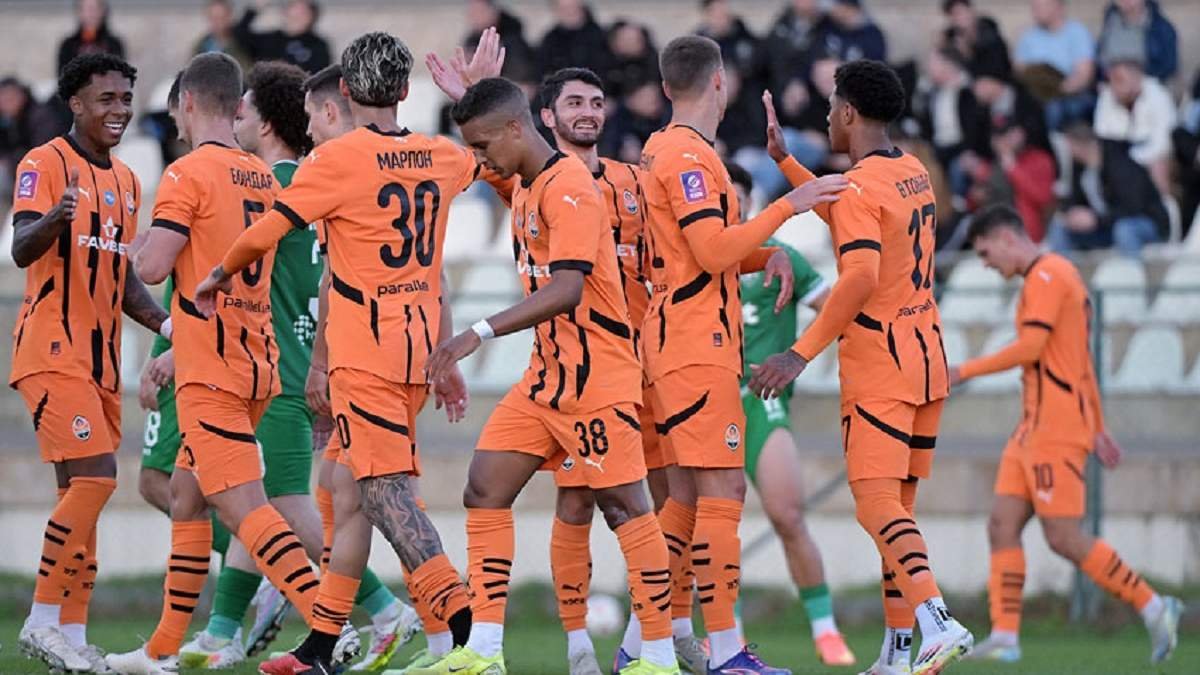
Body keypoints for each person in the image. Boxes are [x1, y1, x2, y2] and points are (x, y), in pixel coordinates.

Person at [197, 33, 478, 675]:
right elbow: (485, 158)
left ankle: (470, 638)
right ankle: (321, 648)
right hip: (415, 353)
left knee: (389, 499)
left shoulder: (335, 160)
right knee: (345, 497)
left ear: (346, 92)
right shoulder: (441, 155)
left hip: (367, 359)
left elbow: (268, 230)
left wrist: (218, 273)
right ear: (404, 90)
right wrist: (469, 99)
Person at [410, 74, 675, 675]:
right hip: (547, 378)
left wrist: (475, 333)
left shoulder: (571, 186)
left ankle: (659, 656)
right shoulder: (528, 184)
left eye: (483, 146)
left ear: (515, 129)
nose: (480, 159)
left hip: (598, 376)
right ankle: (483, 649)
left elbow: (567, 288)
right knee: (484, 487)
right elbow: (488, 153)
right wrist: (471, 88)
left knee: (626, 509)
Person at [105, 52, 333, 675]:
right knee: (186, 496)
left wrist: (118, 244)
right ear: (236, 107)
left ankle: (328, 629)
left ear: (186, 103)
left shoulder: (188, 173)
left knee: (245, 509)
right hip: (258, 360)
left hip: (211, 368)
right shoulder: (260, 176)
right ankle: (160, 650)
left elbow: (154, 267)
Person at [754, 59, 974, 674]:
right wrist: (785, 162)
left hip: (882, 365)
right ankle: (898, 653)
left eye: (831, 106)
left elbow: (858, 277)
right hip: (927, 359)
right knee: (896, 513)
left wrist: (798, 354)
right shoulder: (912, 171)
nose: (827, 116)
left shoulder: (859, 187)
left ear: (848, 112)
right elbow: (850, 214)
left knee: (875, 505)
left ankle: (938, 621)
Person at [640, 35, 846, 674]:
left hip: (685, 339)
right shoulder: (687, 155)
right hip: (695, 344)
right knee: (721, 490)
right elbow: (711, 253)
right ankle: (725, 650)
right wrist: (788, 207)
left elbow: (701, 250)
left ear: (667, 85)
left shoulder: (666, 148)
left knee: (683, 500)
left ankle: (648, 642)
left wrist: (765, 255)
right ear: (719, 82)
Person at [950, 204, 1183, 665]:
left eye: (985, 252)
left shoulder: (1049, 276)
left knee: (1062, 536)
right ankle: (1005, 636)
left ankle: (1154, 605)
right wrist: (1097, 425)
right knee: (1001, 524)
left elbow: (1033, 347)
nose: (986, 264)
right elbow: (1080, 361)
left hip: (1055, 430)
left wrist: (963, 370)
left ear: (1007, 238)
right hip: (1032, 428)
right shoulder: (1048, 276)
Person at [11, 52, 167, 675]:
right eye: (107, 99)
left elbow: (121, 279)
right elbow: (22, 247)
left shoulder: (127, 182)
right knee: (98, 480)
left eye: (125, 99)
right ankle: (41, 619)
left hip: (101, 365)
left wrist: (169, 324)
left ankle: (71, 635)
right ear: (75, 103)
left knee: (82, 494)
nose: (119, 110)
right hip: (51, 351)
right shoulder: (43, 162)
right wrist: (57, 216)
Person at [726, 161, 856, 668]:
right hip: (707, 401)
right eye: (722, 195)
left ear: (749, 202)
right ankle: (726, 637)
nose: (730, 204)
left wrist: (796, 356)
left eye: (737, 195)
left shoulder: (782, 256)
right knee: (713, 526)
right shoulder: (693, 255)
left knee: (787, 514)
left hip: (762, 401)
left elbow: (837, 309)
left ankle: (825, 631)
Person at [1045, 122, 1168, 256]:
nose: (1069, 153)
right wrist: (1072, 214)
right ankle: (1064, 269)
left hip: (1144, 223)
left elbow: (1132, 207)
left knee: (1124, 229)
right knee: (1060, 227)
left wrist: (1096, 220)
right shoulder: (1080, 169)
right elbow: (1074, 200)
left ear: (1079, 145)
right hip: (1105, 228)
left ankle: (1132, 269)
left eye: (1070, 147)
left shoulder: (1120, 164)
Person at [1093, 56, 1175, 196]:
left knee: (1158, 166)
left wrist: (1135, 159)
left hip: (1152, 158)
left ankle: (1164, 207)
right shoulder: (1107, 95)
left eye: (1119, 80)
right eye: (1111, 80)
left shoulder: (1158, 95)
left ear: (1136, 78)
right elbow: (1102, 134)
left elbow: (1164, 142)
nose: (1113, 86)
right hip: (1120, 160)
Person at [1013, 0, 1096, 131]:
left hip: (1071, 95)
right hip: (1036, 95)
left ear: (1058, 6)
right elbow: (1020, 69)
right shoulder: (1028, 37)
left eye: (1041, 5)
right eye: (1034, 6)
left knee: (1055, 107)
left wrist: (1056, 90)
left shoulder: (1077, 33)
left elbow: (1083, 76)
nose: (1035, 10)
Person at [235, 0, 332, 73]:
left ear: (312, 16)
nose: (296, 14)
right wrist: (255, 8)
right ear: (285, 12)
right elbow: (240, 34)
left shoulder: (318, 45)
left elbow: (320, 74)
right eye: (293, 8)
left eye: (302, 11)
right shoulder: (271, 39)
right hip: (265, 90)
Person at [1096, 0, 1177, 83]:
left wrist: (1134, 76)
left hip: (1149, 82)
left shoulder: (1162, 28)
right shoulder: (1110, 24)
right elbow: (1100, 60)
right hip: (1113, 83)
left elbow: (1169, 66)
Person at [537, 0, 611, 81]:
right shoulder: (550, 40)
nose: (569, 12)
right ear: (555, 11)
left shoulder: (601, 37)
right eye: (563, 8)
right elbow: (542, 71)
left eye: (572, 7)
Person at [940, 0, 1011, 81]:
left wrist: (968, 54)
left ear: (971, 11)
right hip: (964, 82)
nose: (958, 18)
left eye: (960, 13)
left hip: (996, 81)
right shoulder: (952, 36)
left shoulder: (990, 34)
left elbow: (996, 71)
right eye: (953, 15)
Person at [57, 0, 126, 76]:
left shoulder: (114, 44)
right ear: (79, 12)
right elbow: (63, 76)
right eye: (87, 9)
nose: (91, 14)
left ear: (103, 11)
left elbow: (119, 75)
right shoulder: (68, 46)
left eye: (95, 8)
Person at [193, 0, 253, 71]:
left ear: (230, 17)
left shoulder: (243, 43)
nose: (218, 22)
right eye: (214, 18)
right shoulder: (201, 46)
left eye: (222, 18)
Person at [822, 0, 886, 63]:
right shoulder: (828, 27)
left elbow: (875, 64)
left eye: (846, 9)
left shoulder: (872, 34)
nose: (834, 13)